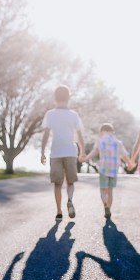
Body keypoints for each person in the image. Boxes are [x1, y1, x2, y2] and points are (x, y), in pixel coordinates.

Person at [40, 85, 86, 220]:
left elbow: (46, 135)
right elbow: (79, 134)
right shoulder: (73, 115)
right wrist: (82, 151)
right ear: (69, 98)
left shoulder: (50, 114)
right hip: (71, 152)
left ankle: (59, 211)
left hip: (55, 152)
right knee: (70, 182)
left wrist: (42, 152)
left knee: (57, 183)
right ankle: (70, 200)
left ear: (55, 98)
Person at [84, 123, 132, 219]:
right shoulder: (118, 142)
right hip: (114, 169)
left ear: (102, 132)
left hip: (103, 168)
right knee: (110, 191)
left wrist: (86, 158)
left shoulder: (100, 141)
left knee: (103, 190)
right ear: (112, 132)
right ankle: (109, 208)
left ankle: (105, 205)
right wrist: (130, 164)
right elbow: (124, 155)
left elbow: (95, 152)